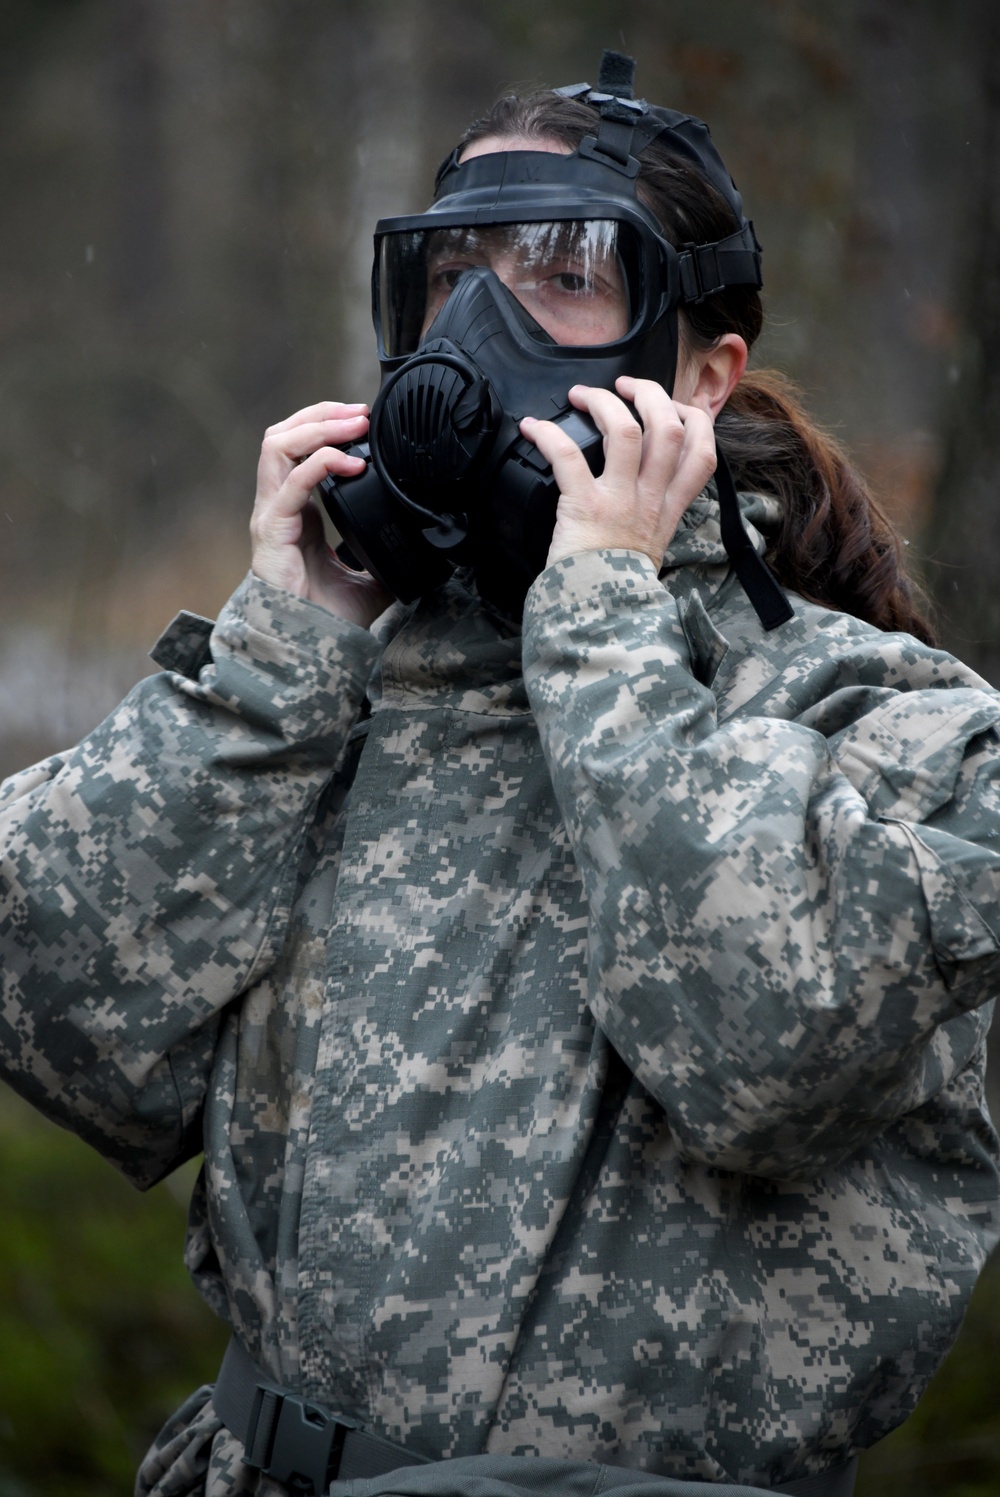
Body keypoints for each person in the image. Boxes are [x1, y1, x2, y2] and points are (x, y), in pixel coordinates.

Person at [2, 51, 999, 1497]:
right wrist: (283, 655)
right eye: (449, 275)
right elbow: (62, 1004)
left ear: (703, 371)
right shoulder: (345, 683)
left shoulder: (891, 720)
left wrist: (602, 621)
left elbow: (761, 1051)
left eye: (559, 275)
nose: (479, 328)